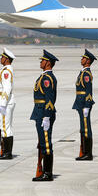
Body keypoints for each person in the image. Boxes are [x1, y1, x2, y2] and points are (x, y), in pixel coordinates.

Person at [31, 50, 58, 182]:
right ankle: (44, 171)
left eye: (42, 60)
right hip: (39, 112)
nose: (41, 62)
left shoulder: (47, 78)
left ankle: (48, 173)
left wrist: (46, 117)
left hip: (43, 113)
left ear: (48, 63)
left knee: (46, 143)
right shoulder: (44, 77)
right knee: (42, 143)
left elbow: (50, 99)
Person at [73, 49, 96, 161]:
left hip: (84, 103)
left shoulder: (86, 74)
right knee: (83, 128)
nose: (81, 59)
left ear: (88, 61)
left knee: (86, 128)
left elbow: (88, 90)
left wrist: (87, 105)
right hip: (80, 102)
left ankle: (88, 153)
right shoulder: (83, 72)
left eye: (83, 58)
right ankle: (84, 151)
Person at [0, 48, 16, 160]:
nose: (1, 58)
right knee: (4, 126)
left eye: (2, 57)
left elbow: (7, 88)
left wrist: (3, 104)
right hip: (2, 100)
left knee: (5, 127)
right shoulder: (4, 70)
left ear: (6, 59)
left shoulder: (7, 71)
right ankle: (5, 151)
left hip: (5, 102)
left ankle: (7, 152)